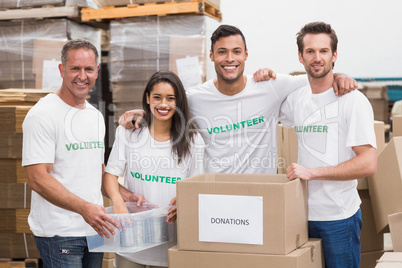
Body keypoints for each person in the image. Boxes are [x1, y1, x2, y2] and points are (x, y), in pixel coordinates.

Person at [119, 24, 357, 175]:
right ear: (212, 56)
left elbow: (316, 74)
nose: (229, 58)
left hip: (263, 193)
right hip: (217, 194)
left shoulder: (271, 86)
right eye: (222, 52)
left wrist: (339, 74)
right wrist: (142, 113)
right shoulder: (195, 97)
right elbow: (167, 106)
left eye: (236, 52)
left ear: (245, 55)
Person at [279, 22, 377, 268]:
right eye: (310, 51)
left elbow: (368, 162)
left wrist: (312, 173)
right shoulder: (295, 100)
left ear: (334, 56)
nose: (317, 58)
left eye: (324, 51)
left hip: (339, 217)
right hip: (301, 215)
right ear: (300, 57)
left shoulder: (352, 101)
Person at [22, 39, 119, 268]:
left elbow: (97, 171)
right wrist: (84, 209)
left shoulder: (95, 116)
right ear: (61, 69)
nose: (82, 76)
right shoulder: (43, 115)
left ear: (97, 71)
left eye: (88, 69)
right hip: (60, 233)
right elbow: (37, 178)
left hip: (94, 229)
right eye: (75, 68)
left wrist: (127, 195)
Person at [103, 71, 205, 268]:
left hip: (172, 244)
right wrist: (118, 202)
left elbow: (196, 188)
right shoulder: (129, 134)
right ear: (148, 98)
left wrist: (184, 202)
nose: (163, 104)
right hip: (131, 242)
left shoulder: (193, 141)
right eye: (157, 97)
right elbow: (110, 176)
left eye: (170, 98)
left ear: (179, 102)